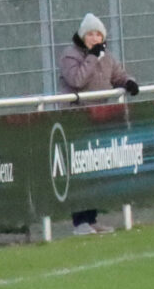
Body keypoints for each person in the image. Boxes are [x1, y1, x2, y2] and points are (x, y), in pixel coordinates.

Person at [59, 12, 139, 235]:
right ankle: (79, 222)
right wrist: (92, 57)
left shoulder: (107, 57)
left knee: (95, 171)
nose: (95, 38)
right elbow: (76, 80)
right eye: (90, 34)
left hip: (98, 119)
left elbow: (119, 76)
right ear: (82, 36)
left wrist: (129, 83)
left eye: (98, 34)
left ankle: (92, 219)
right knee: (79, 173)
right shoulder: (70, 55)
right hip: (76, 121)